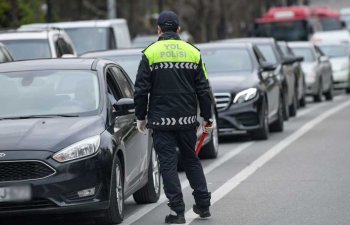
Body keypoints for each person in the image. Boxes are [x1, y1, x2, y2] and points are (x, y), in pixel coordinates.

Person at [134, 10, 214, 224]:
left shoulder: (150, 53)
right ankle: (204, 205)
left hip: (161, 121)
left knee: (167, 165)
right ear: (178, 29)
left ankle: (178, 212)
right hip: (188, 120)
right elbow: (204, 89)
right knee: (191, 160)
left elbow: (141, 90)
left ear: (158, 29)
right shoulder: (193, 52)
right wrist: (207, 117)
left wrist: (140, 117)